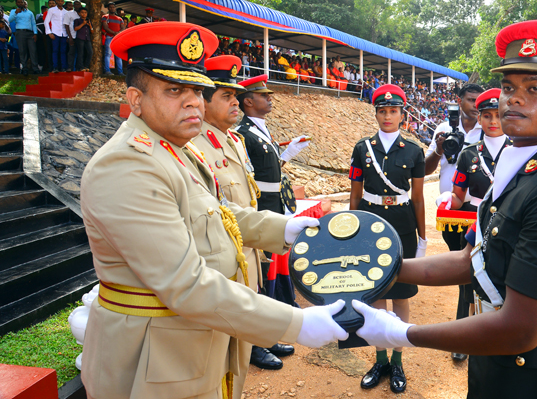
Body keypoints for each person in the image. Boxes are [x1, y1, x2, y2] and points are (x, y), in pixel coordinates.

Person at [80, 22, 348, 399]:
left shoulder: (175, 148)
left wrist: (286, 228)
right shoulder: (128, 164)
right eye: (174, 90)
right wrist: (297, 323)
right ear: (135, 99)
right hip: (154, 360)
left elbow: (218, 213)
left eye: (196, 89)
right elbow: (185, 283)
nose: (193, 101)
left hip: (197, 342)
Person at [353, 20, 537, 399]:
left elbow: (519, 329)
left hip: (534, 370)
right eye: (508, 88)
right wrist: (375, 271)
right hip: (499, 358)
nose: (513, 99)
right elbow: (473, 260)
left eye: (534, 88)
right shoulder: (523, 165)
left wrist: (401, 333)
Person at [192, 54, 272, 397]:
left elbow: (246, 203)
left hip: (246, 257)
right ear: (204, 101)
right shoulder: (194, 146)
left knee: (236, 363)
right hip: (221, 266)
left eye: (236, 96)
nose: (236, 102)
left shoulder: (234, 140)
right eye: (226, 96)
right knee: (216, 362)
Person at [348, 84, 426, 394]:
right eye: (382, 111)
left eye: (393, 111)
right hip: (370, 221)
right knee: (374, 293)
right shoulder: (361, 148)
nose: (387, 116)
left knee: (401, 293)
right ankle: (380, 358)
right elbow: (355, 193)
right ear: (377, 113)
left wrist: (422, 235)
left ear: (402, 114)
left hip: (402, 224)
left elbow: (418, 197)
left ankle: (397, 358)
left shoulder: (414, 151)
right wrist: (350, 229)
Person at [234, 74, 310, 370]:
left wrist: (288, 152)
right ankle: (256, 343)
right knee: (259, 276)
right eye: (264, 96)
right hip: (260, 208)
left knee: (266, 273)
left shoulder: (259, 129)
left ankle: (265, 334)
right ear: (248, 101)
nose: (270, 99)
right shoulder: (243, 132)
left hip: (274, 204)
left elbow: (270, 167)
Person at [424, 83, 484, 361]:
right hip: (451, 212)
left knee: (476, 270)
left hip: (482, 210)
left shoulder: (492, 128)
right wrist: (438, 149)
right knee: (464, 271)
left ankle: (468, 331)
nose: (475, 104)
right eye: (470, 100)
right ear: (459, 101)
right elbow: (426, 169)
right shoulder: (442, 128)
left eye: (479, 101)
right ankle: (469, 328)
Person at [8, 0, 40, 75]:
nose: (20, 4)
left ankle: (35, 68)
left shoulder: (30, 13)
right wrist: (16, 13)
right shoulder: (13, 11)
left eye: (21, 2)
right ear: (16, 3)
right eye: (18, 2)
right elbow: (9, 20)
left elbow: (33, 23)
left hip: (30, 33)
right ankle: (24, 68)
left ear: (23, 3)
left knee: (33, 50)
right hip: (20, 32)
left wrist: (35, 33)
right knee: (22, 51)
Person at [45, 0, 69, 72]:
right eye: (58, 1)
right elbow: (46, 21)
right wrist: (49, 33)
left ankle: (63, 67)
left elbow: (67, 23)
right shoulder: (52, 10)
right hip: (55, 32)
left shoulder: (66, 12)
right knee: (55, 50)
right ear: (56, 1)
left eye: (61, 1)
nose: (60, 2)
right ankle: (55, 67)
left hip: (64, 33)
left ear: (63, 2)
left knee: (63, 51)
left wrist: (68, 35)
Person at [101, 2, 123, 75]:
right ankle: (107, 71)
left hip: (117, 38)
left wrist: (117, 33)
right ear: (108, 8)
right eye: (110, 7)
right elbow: (105, 27)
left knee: (118, 55)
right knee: (108, 54)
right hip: (109, 37)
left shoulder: (120, 19)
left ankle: (120, 72)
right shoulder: (105, 17)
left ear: (115, 8)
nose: (112, 8)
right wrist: (114, 33)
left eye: (113, 7)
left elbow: (123, 28)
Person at [63, 0, 80, 72]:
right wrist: (69, 37)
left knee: (80, 53)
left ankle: (78, 68)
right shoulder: (69, 13)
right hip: (72, 36)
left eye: (78, 4)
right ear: (73, 6)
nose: (77, 6)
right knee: (71, 53)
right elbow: (66, 25)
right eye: (75, 4)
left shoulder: (82, 13)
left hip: (80, 37)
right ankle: (70, 67)